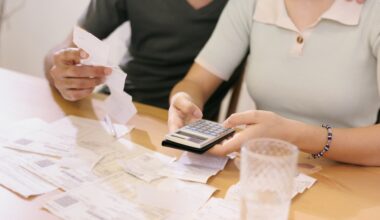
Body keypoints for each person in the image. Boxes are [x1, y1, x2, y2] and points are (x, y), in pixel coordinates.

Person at [168, 0, 379, 166]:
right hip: (263, 169)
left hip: (352, 179)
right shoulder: (249, 4)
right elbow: (196, 82)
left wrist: (295, 135)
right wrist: (183, 101)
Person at [44, 0, 243, 120]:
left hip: (185, 125)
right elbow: (67, 47)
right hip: (118, 110)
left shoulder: (250, 6)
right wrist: (62, 70)